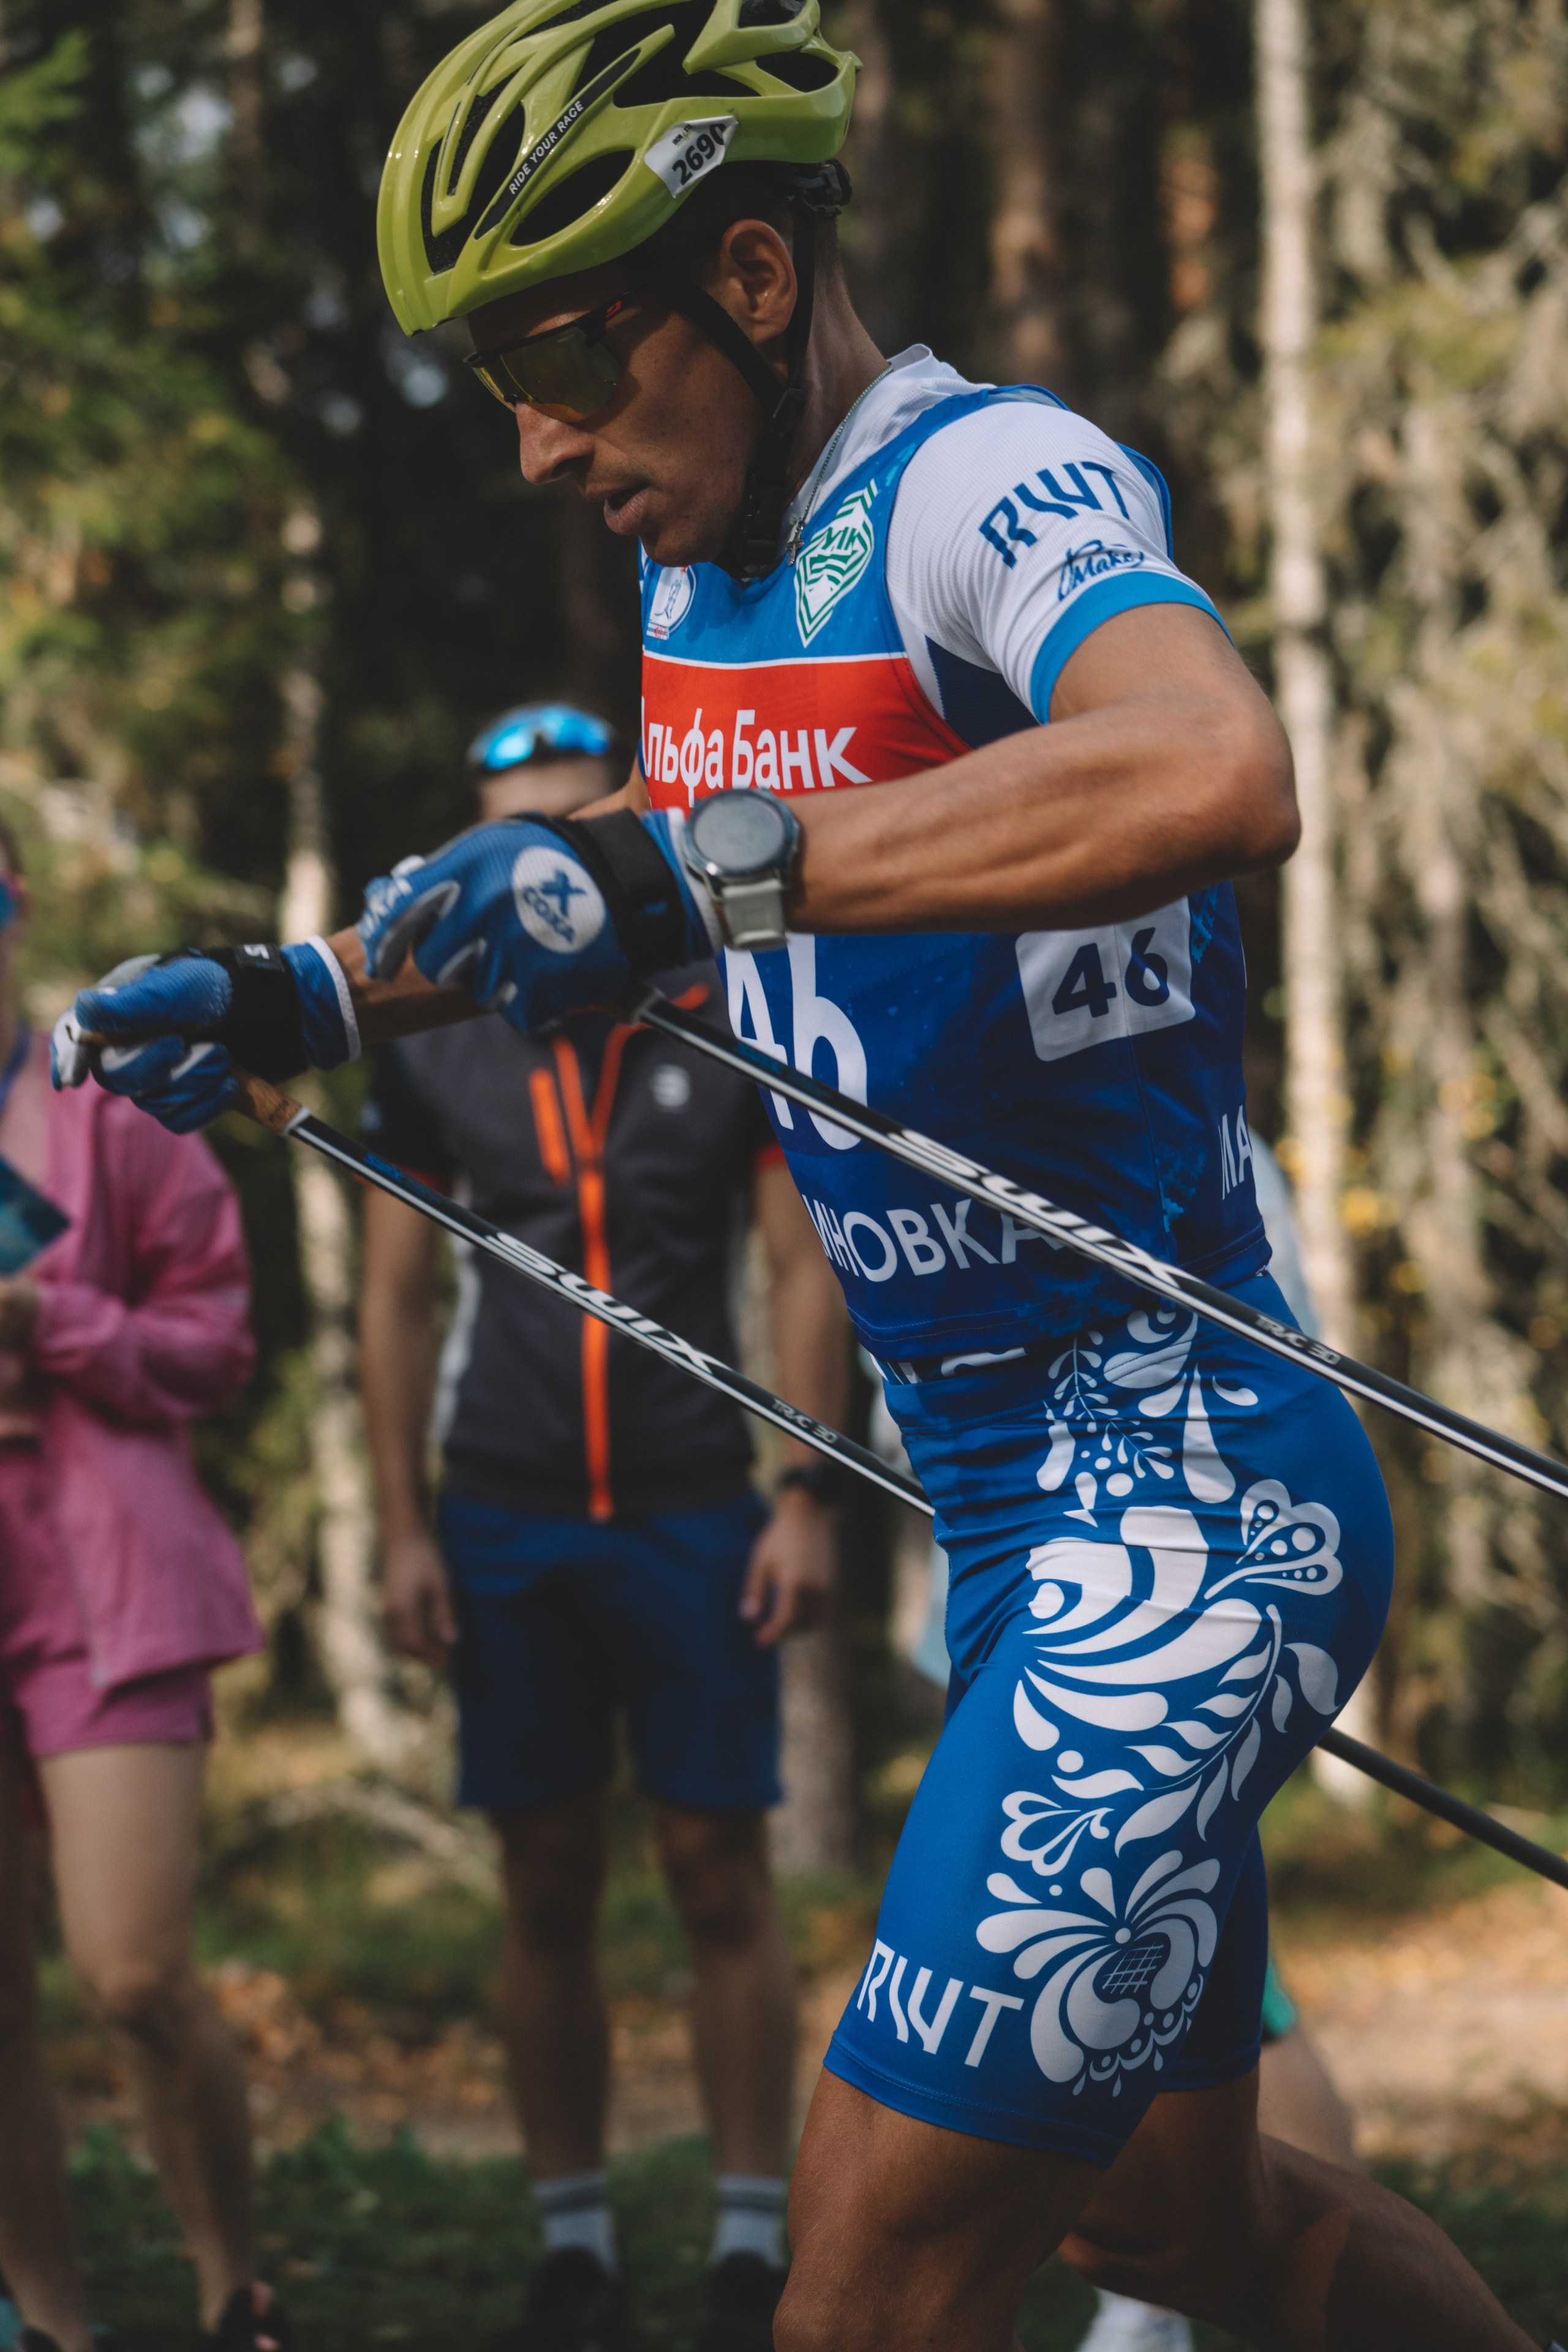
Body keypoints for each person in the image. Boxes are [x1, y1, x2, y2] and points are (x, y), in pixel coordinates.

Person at [56, 6, 1537, 2345]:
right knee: (1188, 2229)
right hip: (1013, 1506)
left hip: (1179, 1494)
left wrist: (694, 875)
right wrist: (303, 996)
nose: (539, 441)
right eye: (491, 384)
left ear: (747, 275)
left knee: (853, 2289)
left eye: (561, 355)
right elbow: (644, 878)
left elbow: (1210, 759)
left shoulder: (980, 484)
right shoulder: (693, 582)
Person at [359, 699, 850, 2352]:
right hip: (500, 1510)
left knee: (722, 1874)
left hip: (697, 1503)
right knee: (545, 1879)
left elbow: (800, 1268)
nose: (548, 853)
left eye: (581, 822)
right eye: (519, 826)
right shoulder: (432, 1028)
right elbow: (394, 1294)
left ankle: (742, 2240)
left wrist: (804, 1492)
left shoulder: (714, 1013)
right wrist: (400, 1529)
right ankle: (571, 2242)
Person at [0, 820, 291, 2352]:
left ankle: (228, 2285)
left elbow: (219, 1345)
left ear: (14, 897)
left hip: (111, 1584)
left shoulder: (98, 1104)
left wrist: (62, 1326)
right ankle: (55, 2324)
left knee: (130, 1973)